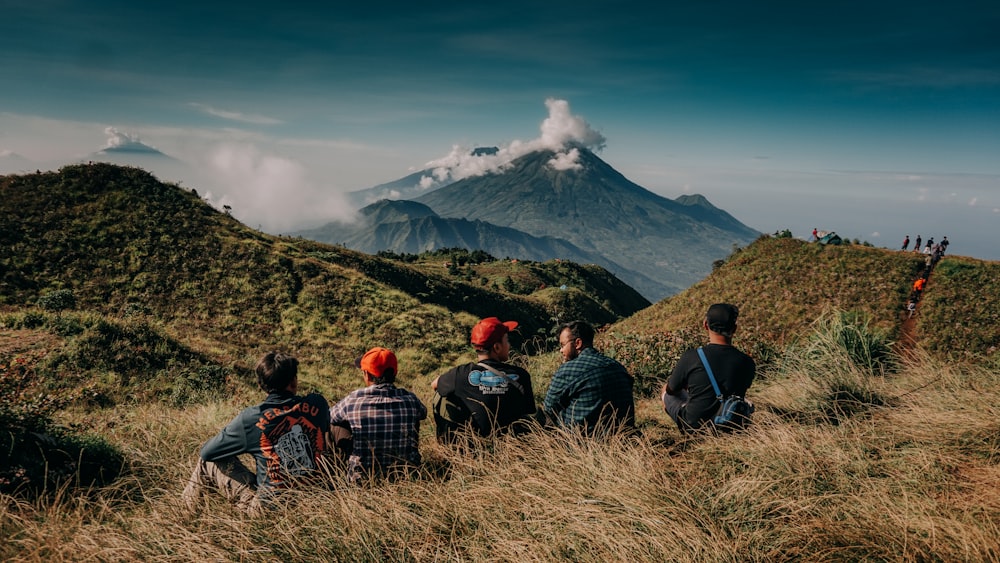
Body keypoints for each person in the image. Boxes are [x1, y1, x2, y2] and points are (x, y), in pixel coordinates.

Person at [183, 352, 330, 513]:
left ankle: (185, 516)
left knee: (207, 462)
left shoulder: (251, 419)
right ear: (294, 381)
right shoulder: (318, 404)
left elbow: (207, 452)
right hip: (315, 501)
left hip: (269, 510)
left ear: (261, 385)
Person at [330, 347, 426, 482]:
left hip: (363, 479)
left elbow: (328, 417)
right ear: (395, 373)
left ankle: (339, 469)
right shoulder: (410, 399)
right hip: (407, 475)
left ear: (367, 375)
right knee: (415, 417)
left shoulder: (353, 400)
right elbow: (423, 413)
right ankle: (408, 460)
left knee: (335, 425)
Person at [432, 317, 536, 442]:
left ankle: (449, 443)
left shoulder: (460, 374)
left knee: (441, 396)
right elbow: (529, 411)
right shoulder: (521, 375)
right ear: (497, 347)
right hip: (512, 444)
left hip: (475, 444)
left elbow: (435, 385)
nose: (509, 345)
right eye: (507, 341)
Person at [662, 304, 756, 433]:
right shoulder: (747, 362)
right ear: (734, 329)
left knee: (665, 391)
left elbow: (671, 390)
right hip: (730, 425)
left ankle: (684, 431)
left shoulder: (692, 356)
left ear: (705, 325)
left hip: (693, 426)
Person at [543, 320, 635, 434]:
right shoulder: (618, 366)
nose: (561, 350)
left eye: (562, 345)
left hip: (583, 444)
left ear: (577, 343)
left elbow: (548, 409)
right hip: (624, 438)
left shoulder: (568, 369)